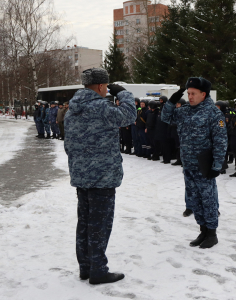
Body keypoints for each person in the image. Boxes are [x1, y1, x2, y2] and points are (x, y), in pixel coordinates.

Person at [64, 68, 136, 284]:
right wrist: (123, 93)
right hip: (102, 177)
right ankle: (98, 270)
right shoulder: (100, 107)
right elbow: (129, 115)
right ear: (101, 87)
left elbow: (68, 145)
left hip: (81, 176)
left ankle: (85, 267)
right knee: (99, 224)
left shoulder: (72, 110)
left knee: (85, 222)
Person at [161, 77, 228, 249]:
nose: (190, 97)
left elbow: (221, 141)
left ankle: (212, 233)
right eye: (188, 93)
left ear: (203, 94)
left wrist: (216, 166)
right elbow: (165, 117)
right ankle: (203, 230)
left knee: (208, 200)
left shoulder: (213, 113)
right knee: (194, 199)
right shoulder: (184, 111)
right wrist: (172, 100)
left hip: (205, 166)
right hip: (188, 164)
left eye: (193, 93)